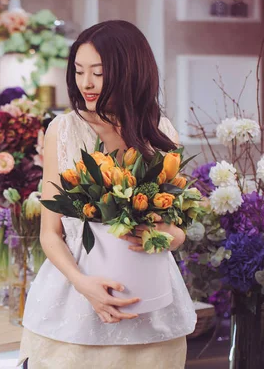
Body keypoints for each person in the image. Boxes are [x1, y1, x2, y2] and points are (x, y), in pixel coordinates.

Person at [18, 20, 196, 368]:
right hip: (73, 303)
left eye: (98, 73)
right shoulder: (64, 130)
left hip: (151, 306)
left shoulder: (160, 132)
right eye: (79, 71)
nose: (86, 83)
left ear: (130, 71)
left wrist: (163, 237)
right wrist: (83, 285)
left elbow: (178, 231)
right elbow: (50, 234)